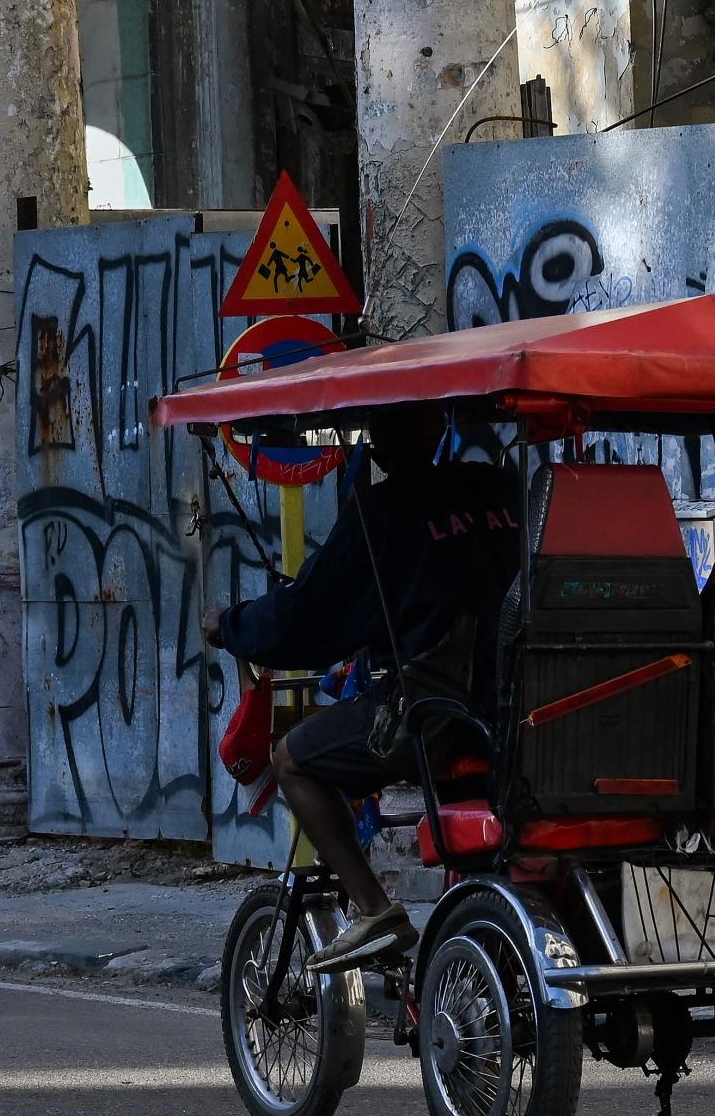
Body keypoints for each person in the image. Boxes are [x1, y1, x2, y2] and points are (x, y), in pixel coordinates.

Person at [202, 403, 525, 970]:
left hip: (434, 717)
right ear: (438, 427)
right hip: (523, 708)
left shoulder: (380, 512)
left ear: (377, 443)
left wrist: (230, 626)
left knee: (294, 758)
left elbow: (307, 617)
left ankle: (376, 909)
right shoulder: (505, 490)